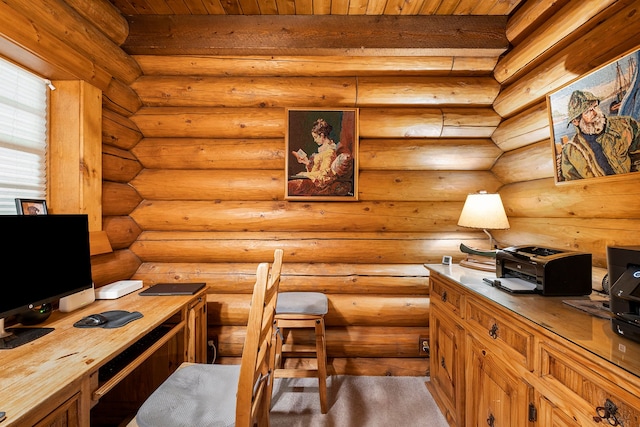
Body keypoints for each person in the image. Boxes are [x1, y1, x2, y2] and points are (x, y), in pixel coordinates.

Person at [560, 90, 640, 181]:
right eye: (587, 111)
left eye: (595, 106)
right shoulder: (570, 151)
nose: (595, 113)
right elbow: (572, 184)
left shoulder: (625, 125)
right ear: (576, 121)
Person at [288, 118, 352, 196]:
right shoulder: (323, 150)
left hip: (319, 185)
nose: (314, 140)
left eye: (315, 137)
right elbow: (316, 170)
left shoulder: (329, 152)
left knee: (292, 186)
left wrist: (305, 174)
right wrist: (307, 162)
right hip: (313, 180)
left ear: (321, 135)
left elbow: (324, 174)